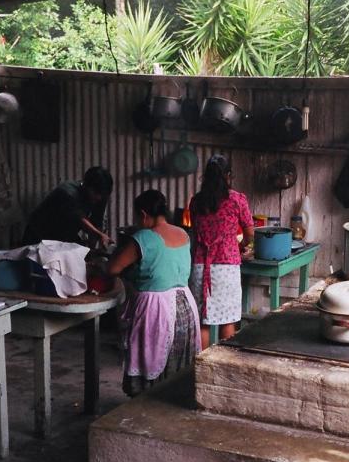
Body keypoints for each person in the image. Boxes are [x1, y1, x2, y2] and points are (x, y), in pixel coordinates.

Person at [107, 189, 201, 397]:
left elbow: (113, 268)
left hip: (156, 309)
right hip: (185, 306)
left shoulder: (144, 237)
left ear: (143, 214)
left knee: (149, 361)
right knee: (175, 369)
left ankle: (145, 406)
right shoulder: (183, 234)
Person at [189, 155, 254, 348]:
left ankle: (201, 366)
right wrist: (240, 247)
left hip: (200, 266)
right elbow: (250, 234)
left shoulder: (196, 202)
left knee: (203, 321)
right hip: (227, 266)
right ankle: (222, 366)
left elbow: (195, 231)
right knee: (228, 320)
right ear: (228, 176)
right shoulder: (237, 200)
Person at [22, 166, 115, 247]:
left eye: (102, 195)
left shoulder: (101, 196)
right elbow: (81, 221)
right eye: (95, 193)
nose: (98, 198)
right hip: (38, 236)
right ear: (86, 186)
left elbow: (96, 222)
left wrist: (92, 249)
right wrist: (100, 235)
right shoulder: (67, 192)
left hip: (62, 236)